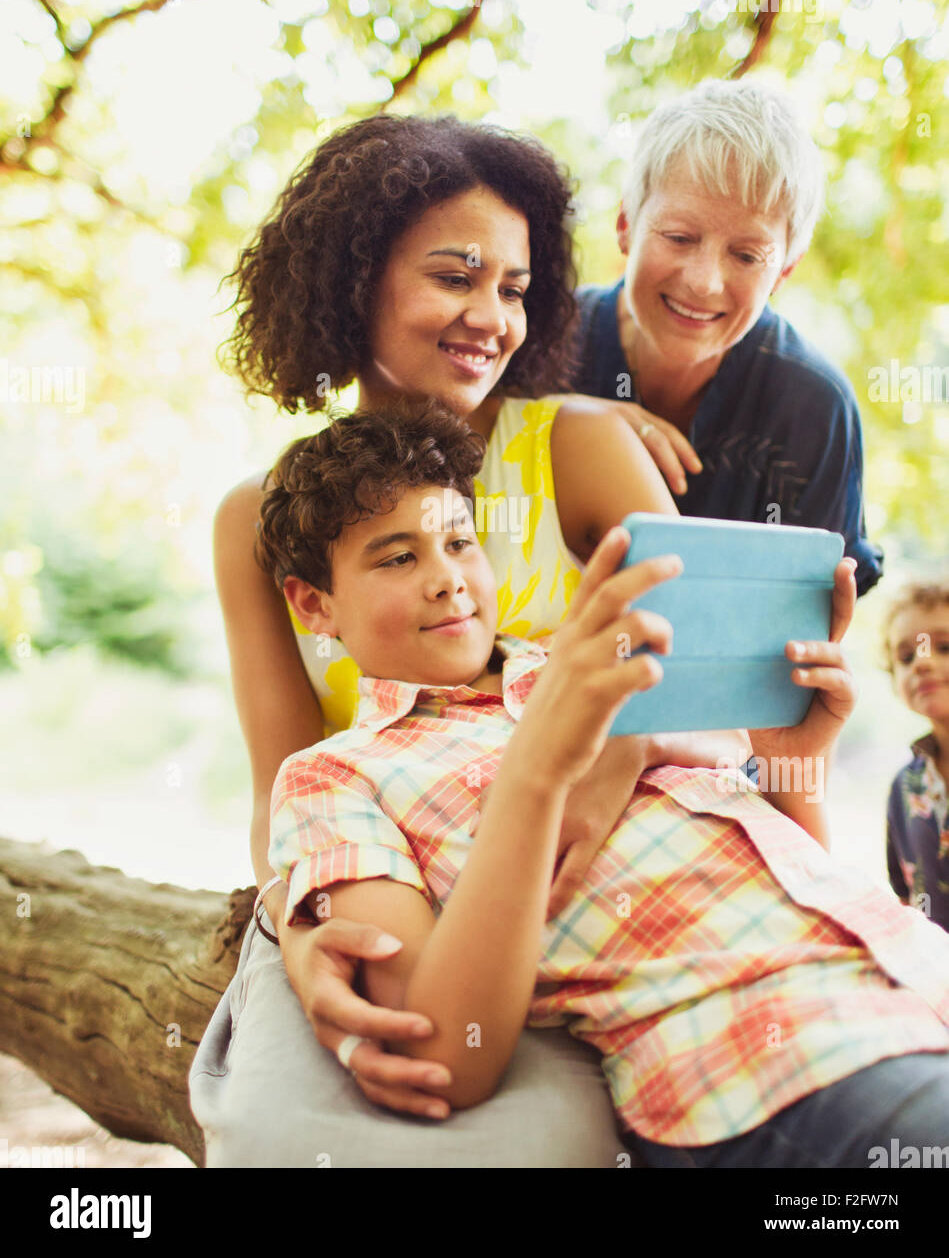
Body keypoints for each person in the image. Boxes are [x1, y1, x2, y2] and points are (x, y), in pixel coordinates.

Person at [192, 113, 745, 1167]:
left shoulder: (577, 447)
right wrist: (305, 936)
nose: (490, 315)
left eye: (513, 286)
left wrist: (599, 765)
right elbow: (283, 796)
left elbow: (702, 666)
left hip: (580, 891)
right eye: (455, 277)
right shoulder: (260, 518)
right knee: (292, 1135)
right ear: (352, 282)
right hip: (380, 898)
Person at [261, 399, 949, 1168]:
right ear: (314, 604)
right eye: (397, 558)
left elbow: (784, 875)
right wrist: (537, 773)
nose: (447, 580)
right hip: (766, 1060)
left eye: (460, 542)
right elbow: (444, 1053)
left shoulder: (593, 665)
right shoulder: (333, 775)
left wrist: (794, 758)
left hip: (915, 974)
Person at [570, 78, 883, 597]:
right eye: (679, 237)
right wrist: (574, 417)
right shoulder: (539, 343)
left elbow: (807, 620)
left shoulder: (813, 408)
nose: (703, 281)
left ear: (783, 272)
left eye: (746, 256)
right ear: (626, 224)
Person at [883, 581, 949, 930]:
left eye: (944, 647)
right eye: (906, 657)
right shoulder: (903, 787)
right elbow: (905, 894)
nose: (921, 664)